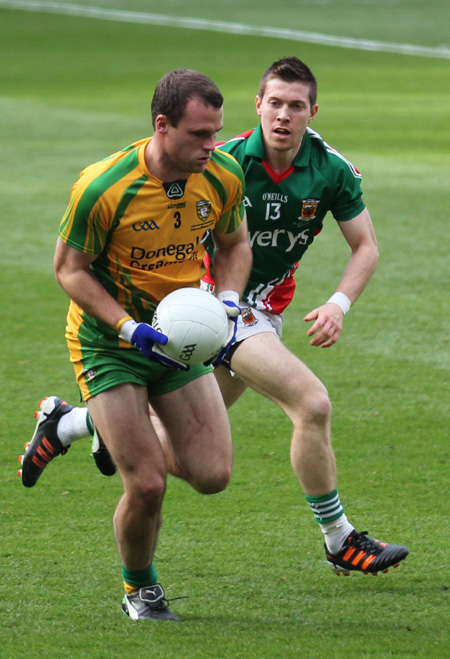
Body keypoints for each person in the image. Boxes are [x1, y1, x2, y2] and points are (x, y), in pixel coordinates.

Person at [20, 57, 408, 581]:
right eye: (275, 103)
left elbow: (363, 246)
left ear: (313, 112)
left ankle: (72, 423)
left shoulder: (328, 169)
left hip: (257, 310)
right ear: (259, 104)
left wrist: (337, 304)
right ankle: (339, 540)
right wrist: (210, 305)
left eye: (296, 106)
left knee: (204, 463)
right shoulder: (216, 161)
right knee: (311, 403)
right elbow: (82, 262)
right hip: (202, 310)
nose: (284, 116)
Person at [20, 68, 252, 622]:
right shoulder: (102, 187)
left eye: (216, 132)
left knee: (213, 475)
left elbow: (235, 243)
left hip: (179, 340)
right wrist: (127, 327)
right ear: (162, 125)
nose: (210, 146)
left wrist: (225, 298)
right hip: (109, 341)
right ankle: (140, 590)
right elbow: (69, 270)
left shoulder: (222, 175)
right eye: (198, 134)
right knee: (146, 483)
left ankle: (76, 424)